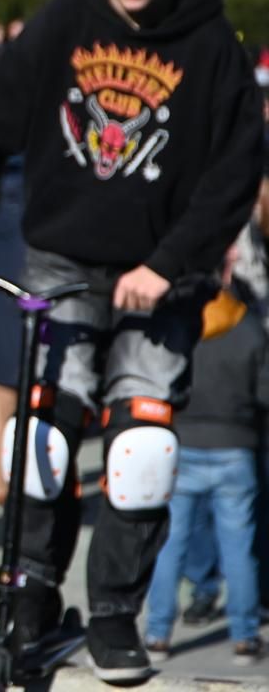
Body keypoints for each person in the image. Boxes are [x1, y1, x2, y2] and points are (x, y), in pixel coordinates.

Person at [0, 0, 263, 683]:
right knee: (41, 438)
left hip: (161, 277)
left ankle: (114, 612)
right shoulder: (62, 27)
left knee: (141, 448)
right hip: (63, 262)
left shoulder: (211, 43)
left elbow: (236, 171)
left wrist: (167, 264)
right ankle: (32, 595)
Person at [143, 243, 269, 665]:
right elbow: (263, 393)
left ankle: (157, 633)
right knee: (239, 546)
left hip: (182, 444)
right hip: (236, 447)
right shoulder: (249, 328)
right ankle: (245, 635)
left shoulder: (176, 326)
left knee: (170, 544)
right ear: (226, 271)